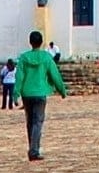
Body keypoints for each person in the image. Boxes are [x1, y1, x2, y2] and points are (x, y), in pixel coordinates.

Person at [14, 29, 66, 162]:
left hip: (27, 93)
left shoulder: (24, 58)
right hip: (41, 92)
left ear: (30, 42)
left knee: (30, 122)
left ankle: (32, 147)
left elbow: (19, 76)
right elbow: (54, 74)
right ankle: (34, 150)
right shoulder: (46, 57)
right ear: (41, 42)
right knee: (38, 122)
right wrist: (62, 90)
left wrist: (16, 94)